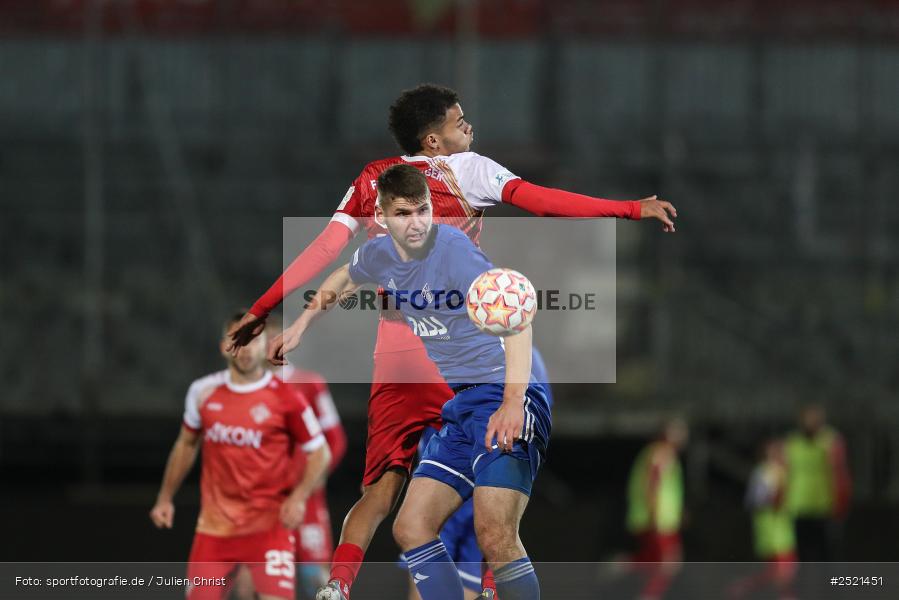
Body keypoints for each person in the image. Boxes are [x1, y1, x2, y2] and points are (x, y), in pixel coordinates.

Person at [227, 83, 676, 600]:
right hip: (456, 377)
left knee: (459, 517)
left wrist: (265, 309)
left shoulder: (390, 196)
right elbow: (542, 203)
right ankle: (475, 584)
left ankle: (359, 584)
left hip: (460, 367)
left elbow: (325, 248)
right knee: (422, 524)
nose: (470, 128)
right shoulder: (467, 171)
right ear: (434, 141)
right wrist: (625, 208)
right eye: (460, 121)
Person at [273, 164, 551, 600]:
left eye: (423, 210)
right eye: (404, 213)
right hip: (463, 405)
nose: (417, 222)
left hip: (504, 396)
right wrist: (303, 323)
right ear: (382, 217)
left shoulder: (455, 252)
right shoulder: (379, 255)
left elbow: (517, 319)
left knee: (494, 532)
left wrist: (513, 402)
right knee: (411, 527)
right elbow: (346, 276)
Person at [149, 311, 331, 600]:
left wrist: (299, 496)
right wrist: (165, 497)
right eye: (239, 340)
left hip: (270, 529)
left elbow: (320, 451)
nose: (246, 349)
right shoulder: (203, 392)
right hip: (215, 532)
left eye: (253, 340)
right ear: (224, 346)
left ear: (265, 345)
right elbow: (186, 444)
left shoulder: (287, 397)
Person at [626, 417, 688, 600]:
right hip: (657, 520)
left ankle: (624, 566)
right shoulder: (661, 453)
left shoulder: (653, 452)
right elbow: (652, 484)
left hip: (659, 518)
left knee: (655, 562)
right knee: (669, 563)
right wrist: (653, 513)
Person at [727, 438, 797, 600]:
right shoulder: (763, 472)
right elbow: (755, 501)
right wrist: (776, 497)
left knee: (786, 569)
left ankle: (748, 588)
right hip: (770, 528)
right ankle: (742, 588)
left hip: (783, 528)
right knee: (780, 570)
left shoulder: (782, 472)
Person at [784, 404, 851, 562]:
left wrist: (841, 501)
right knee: (801, 555)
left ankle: (829, 586)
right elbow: (783, 474)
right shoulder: (792, 443)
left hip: (824, 507)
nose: (811, 423)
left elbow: (840, 473)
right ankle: (803, 586)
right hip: (798, 507)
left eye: (815, 419)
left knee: (827, 555)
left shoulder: (830, 440)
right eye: (808, 419)